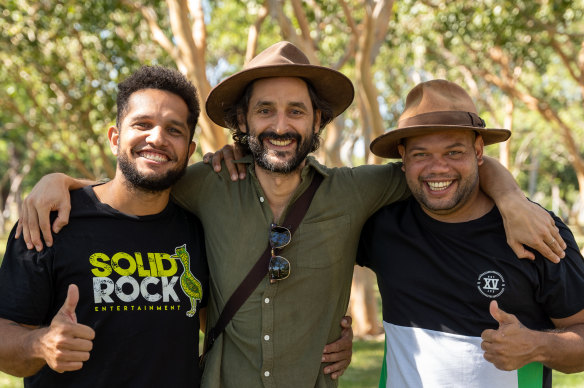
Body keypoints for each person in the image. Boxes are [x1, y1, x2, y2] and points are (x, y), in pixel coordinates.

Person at [17, 42, 566, 387]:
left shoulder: (358, 192)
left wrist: (513, 198)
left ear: (317, 122)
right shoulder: (202, 184)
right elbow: (135, 177)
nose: (281, 124)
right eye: (266, 110)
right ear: (243, 122)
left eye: (296, 111)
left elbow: (442, 162)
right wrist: (56, 182)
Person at [357, 79, 584, 387]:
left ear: (479, 151)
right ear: (403, 157)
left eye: (453, 152)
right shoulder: (381, 225)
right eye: (421, 154)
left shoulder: (536, 230)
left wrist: (537, 345)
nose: (437, 168)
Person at [0, 66, 209, 387]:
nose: (157, 138)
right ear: (115, 138)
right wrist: (39, 344)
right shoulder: (50, 221)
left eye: (174, 130)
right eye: (142, 124)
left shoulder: (199, 230)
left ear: (189, 152)